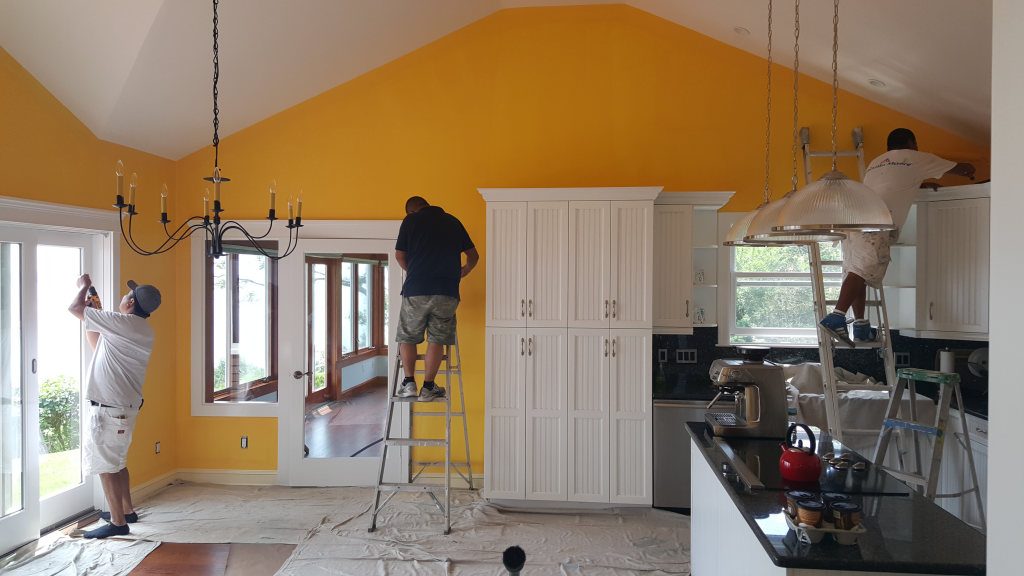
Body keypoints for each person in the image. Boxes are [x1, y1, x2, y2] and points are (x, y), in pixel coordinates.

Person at [819, 128, 975, 345]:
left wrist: (920, 183)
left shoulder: (876, 162)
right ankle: (836, 316)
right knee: (861, 270)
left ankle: (861, 326)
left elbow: (890, 185)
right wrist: (973, 168)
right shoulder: (916, 157)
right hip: (876, 223)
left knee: (857, 271)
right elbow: (963, 169)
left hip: (853, 220)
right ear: (911, 142)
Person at [68, 275, 160, 539]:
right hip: (122, 408)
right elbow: (97, 345)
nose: (123, 297)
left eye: (126, 296)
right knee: (117, 462)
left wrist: (83, 287)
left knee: (106, 466)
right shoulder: (142, 329)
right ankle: (127, 511)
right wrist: (94, 316)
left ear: (130, 303)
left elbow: (74, 308)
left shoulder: (122, 323)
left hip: (109, 409)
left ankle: (118, 523)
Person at [394, 196, 478, 401]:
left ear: (411, 211)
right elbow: (473, 256)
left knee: (408, 336)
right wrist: (464, 270)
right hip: (447, 292)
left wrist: (414, 272)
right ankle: (428, 387)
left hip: (416, 290)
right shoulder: (453, 222)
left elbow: (399, 256)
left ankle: (409, 383)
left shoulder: (410, 221)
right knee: (437, 338)